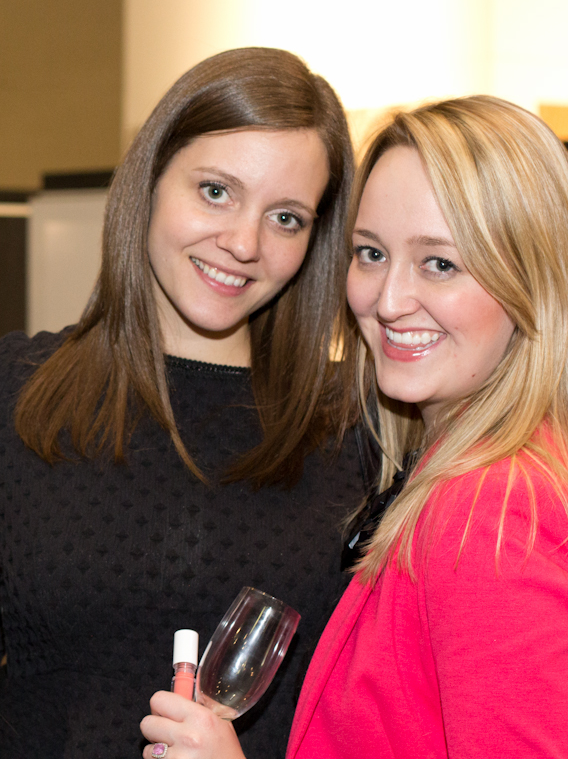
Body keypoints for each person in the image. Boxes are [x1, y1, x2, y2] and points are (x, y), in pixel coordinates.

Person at [0, 46, 370, 759]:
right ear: (150, 179)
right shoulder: (8, 398)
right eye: (216, 191)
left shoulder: (354, 433)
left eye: (286, 218)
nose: (243, 243)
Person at [142, 96, 568, 758]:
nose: (388, 301)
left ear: (532, 283)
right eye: (370, 253)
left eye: (440, 264)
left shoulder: (488, 515)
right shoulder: (441, 473)